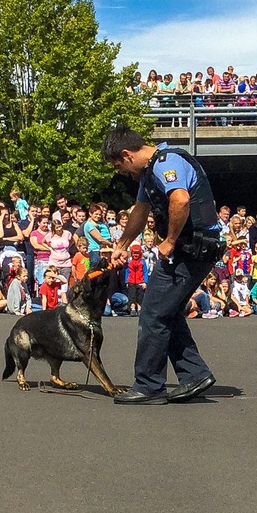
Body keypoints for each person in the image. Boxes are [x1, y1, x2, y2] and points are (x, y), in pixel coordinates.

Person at [103, 126, 221, 405]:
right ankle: (195, 374)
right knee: (166, 312)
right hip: (192, 249)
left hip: (191, 250)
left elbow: (180, 199)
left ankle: (149, 385)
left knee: (153, 314)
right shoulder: (150, 173)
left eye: (120, 167)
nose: (124, 173)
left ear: (127, 155)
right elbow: (140, 213)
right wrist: (121, 246)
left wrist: (169, 241)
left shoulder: (168, 163)